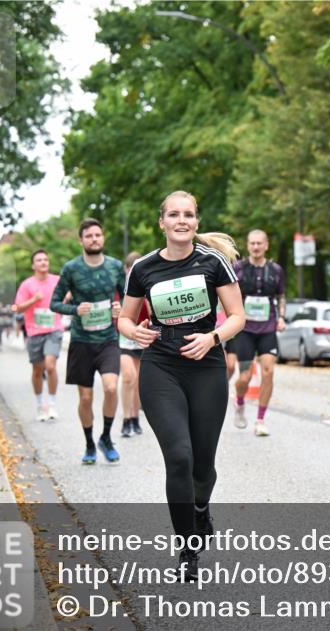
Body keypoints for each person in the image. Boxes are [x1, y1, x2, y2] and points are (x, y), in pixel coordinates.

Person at [118, 190, 244, 579]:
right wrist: (133, 332)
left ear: (196, 222)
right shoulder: (143, 268)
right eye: (174, 214)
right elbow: (124, 318)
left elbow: (237, 315)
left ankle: (201, 509)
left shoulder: (213, 263)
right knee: (179, 457)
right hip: (161, 367)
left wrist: (213, 338)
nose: (181, 220)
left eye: (188, 214)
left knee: (203, 466)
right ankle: (187, 552)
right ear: (162, 222)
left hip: (206, 365)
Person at [50, 219, 125, 465]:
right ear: (81, 241)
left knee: (112, 388)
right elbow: (55, 302)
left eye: (98, 235)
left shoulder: (115, 266)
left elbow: (128, 300)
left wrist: (120, 309)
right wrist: (74, 309)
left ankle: (106, 436)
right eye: (89, 236)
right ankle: (90, 443)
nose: (94, 239)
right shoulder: (71, 268)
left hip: (108, 339)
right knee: (85, 398)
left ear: (103, 238)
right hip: (82, 341)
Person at [231, 230, 286, 436]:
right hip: (244, 329)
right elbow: (228, 294)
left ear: (266, 246)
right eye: (252, 243)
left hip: (268, 328)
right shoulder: (239, 268)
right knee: (244, 377)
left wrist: (281, 317)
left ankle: (260, 420)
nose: (255, 247)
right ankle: (239, 401)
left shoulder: (275, 270)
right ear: (247, 246)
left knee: (268, 371)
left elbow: (281, 295)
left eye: (259, 243)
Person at [12, 249, 65, 421]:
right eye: (39, 260)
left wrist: (64, 300)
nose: (43, 262)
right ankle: (39, 404)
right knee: (37, 370)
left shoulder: (57, 280)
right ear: (33, 265)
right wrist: (34, 300)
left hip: (53, 329)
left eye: (45, 259)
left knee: (50, 365)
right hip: (34, 332)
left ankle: (52, 404)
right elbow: (17, 307)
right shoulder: (27, 285)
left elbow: (70, 292)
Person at [119, 251, 148, 438]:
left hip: (142, 337)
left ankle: (135, 418)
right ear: (126, 269)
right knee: (128, 376)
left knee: (138, 380)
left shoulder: (148, 284)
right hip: (124, 338)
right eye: (130, 268)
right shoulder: (120, 287)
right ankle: (126, 418)